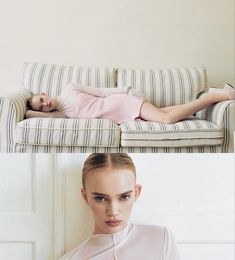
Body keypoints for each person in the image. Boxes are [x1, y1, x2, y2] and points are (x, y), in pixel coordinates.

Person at [60, 153, 180, 260]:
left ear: (136, 193)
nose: (113, 211)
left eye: (124, 197)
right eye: (100, 198)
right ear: (85, 196)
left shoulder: (161, 240)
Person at [25, 83, 235, 124]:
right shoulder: (62, 115)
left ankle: (214, 97)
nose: (45, 104)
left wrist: (129, 91)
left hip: (124, 102)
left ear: (44, 93)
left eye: (42, 99)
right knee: (167, 113)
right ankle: (207, 100)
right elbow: (29, 115)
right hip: (122, 116)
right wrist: (32, 110)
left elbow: (101, 92)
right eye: (41, 106)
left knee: (167, 119)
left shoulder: (70, 89)